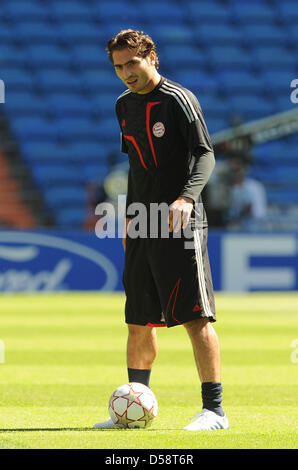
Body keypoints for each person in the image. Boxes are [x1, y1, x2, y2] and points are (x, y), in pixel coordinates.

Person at [94, 30, 229, 431]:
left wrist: (187, 198)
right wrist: (130, 216)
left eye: (131, 63)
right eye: (118, 67)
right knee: (138, 319)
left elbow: (206, 154)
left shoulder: (179, 99)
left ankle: (214, 410)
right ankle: (133, 405)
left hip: (181, 221)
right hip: (143, 221)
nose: (125, 73)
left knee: (195, 317)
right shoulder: (123, 106)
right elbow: (137, 167)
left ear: (151, 57)